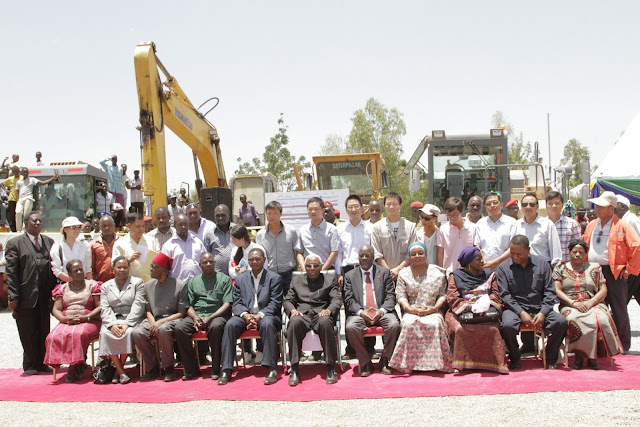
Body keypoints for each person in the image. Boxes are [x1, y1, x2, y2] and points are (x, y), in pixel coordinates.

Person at [497, 235, 568, 370]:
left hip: (539, 308)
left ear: (528, 250)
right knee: (507, 325)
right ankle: (515, 357)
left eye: (519, 254)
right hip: (515, 309)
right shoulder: (503, 268)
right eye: (512, 253)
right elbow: (505, 295)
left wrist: (543, 313)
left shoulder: (543, 265)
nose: (515, 257)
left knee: (561, 322)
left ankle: (550, 356)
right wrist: (521, 312)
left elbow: (550, 292)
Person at [583, 191, 640, 352]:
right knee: (595, 308)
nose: (597, 209)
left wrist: (629, 268)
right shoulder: (592, 224)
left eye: (602, 206)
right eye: (597, 206)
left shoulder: (622, 225)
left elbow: (636, 246)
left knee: (618, 308)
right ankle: (598, 343)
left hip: (614, 271)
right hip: (593, 271)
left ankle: (622, 344)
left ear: (611, 208)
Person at [553, 239, 623, 369]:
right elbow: (557, 290)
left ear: (586, 254)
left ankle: (593, 357)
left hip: (593, 303)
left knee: (601, 320)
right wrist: (573, 303)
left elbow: (603, 290)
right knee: (573, 319)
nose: (577, 255)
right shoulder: (560, 268)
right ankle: (579, 356)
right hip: (570, 305)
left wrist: (591, 302)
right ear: (569, 253)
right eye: (575, 252)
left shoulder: (595, 268)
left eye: (581, 252)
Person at [218, 248, 283, 385]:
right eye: (251, 259)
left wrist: (259, 315)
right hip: (245, 315)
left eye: (258, 259)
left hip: (267, 315)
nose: (254, 262)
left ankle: (271, 368)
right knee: (230, 325)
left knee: (267, 324)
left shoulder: (274, 278)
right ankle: (226, 368)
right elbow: (236, 303)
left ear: (264, 260)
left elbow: (275, 303)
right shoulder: (240, 279)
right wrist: (246, 315)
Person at [5, 212, 58, 375]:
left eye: (40, 220)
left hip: (44, 295)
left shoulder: (49, 242)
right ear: (26, 223)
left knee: (43, 329)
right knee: (28, 331)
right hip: (25, 295)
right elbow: (11, 272)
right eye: (34, 220)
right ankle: (29, 364)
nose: (37, 223)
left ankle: (42, 362)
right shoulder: (15, 243)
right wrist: (13, 296)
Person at [389, 242, 452, 373]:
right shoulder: (403, 274)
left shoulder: (437, 272)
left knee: (435, 323)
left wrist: (434, 308)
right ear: (410, 257)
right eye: (413, 254)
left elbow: (443, 294)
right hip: (412, 309)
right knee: (408, 323)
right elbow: (400, 295)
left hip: (432, 309)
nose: (417, 256)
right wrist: (409, 309)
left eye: (420, 253)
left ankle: (437, 364)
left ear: (426, 254)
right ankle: (409, 365)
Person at [445, 247, 508, 374]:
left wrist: (484, 305)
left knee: (493, 329)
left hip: (486, 310)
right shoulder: (456, 276)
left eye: (482, 258)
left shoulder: (490, 274)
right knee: (460, 329)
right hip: (462, 311)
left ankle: (493, 363)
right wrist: (470, 307)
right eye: (478, 259)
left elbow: (495, 295)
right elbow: (452, 298)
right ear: (469, 263)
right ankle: (462, 363)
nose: (482, 261)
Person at [284, 254, 342, 386]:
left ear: (321, 267)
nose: (312, 268)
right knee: (294, 322)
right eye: (309, 266)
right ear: (304, 267)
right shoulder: (296, 281)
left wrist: (329, 310)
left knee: (326, 322)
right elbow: (288, 300)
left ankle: (331, 368)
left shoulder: (329, 280)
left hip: (321, 314)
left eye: (315, 265)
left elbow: (336, 299)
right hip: (302, 315)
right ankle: (294, 369)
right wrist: (292, 310)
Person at [175, 252, 233, 381]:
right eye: (205, 262)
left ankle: (216, 368)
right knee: (180, 328)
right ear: (199, 265)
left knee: (216, 327)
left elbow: (227, 303)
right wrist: (195, 317)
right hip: (198, 315)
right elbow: (188, 305)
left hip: (217, 315)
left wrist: (210, 318)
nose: (208, 264)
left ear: (215, 263)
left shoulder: (224, 279)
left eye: (211, 262)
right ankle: (191, 369)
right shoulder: (193, 281)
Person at [344, 245, 400, 376]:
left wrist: (381, 311)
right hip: (361, 313)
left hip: (382, 312)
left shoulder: (384, 273)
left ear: (373, 257)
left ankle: (385, 360)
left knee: (394, 325)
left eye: (367, 255)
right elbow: (348, 299)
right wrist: (361, 312)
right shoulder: (349, 275)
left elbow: (391, 296)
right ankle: (365, 362)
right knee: (351, 327)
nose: (364, 258)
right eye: (361, 256)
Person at [132, 252, 188, 382]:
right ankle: (152, 367)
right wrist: (153, 323)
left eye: (153, 267)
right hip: (153, 319)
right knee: (137, 332)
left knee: (163, 330)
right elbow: (147, 310)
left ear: (163, 270)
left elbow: (181, 313)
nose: (150, 269)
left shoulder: (180, 285)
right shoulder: (148, 286)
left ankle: (168, 367)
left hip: (172, 319)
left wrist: (161, 322)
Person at [43, 260, 101, 382]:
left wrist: (87, 317)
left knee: (78, 334)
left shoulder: (92, 285)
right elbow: (56, 309)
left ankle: (73, 367)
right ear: (69, 274)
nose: (79, 272)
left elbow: (100, 306)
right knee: (52, 336)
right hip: (67, 320)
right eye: (75, 271)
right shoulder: (63, 288)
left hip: (89, 320)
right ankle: (78, 363)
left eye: (81, 269)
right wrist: (63, 319)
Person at [98, 256, 146, 384]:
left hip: (131, 318)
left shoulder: (137, 283)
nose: (122, 270)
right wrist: (112, 324)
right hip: (112, 319)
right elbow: (105, 307)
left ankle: (119, 369)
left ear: (129, 269)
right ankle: (120, 371)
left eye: (125, 267)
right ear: (113, 269)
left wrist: (127, 323)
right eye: (119, 267)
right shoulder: (105, 286)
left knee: (128, 333)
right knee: (105, 333)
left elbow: (138, 304)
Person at [371, 192, 417, 281]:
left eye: (395, 204)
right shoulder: (377, 227)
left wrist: (398, 270)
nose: (391, 207)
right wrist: (389, 272)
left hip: (407, 275)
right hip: (384, 275)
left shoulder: (410, 227)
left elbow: (412, 253)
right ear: (384, 206)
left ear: (400, 205)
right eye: (388, 204)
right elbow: (377, 254)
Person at [255, 200, 298, 294]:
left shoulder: (291, 231)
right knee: (273, 302)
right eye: (269, 213)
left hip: (289, 276)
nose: (271, 216)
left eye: (275, 213)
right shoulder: (260, 234)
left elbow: (296, 252)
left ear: (281, 213)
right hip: (270, 276)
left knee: (291, 301)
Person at [295, 197, 340, 272]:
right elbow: (299, 253)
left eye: (316, 209)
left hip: (326, 270)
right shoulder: (302, 230)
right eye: (310, 209)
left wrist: (322, 270)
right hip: (308, 270)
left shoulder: (331, 229)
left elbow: (334, 252)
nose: (313, 211)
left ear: (323, 210)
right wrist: (304, 268)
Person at [475, 192, 516, 269]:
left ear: (501, 205)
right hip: (486, 267)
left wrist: (495, 263)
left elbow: (513, 247)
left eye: (495, 202)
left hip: (507, 268)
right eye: (488, 204)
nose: (492, 205)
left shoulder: (511, 223)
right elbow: (477, 246)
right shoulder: (480, 223)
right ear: (485, 207)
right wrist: (484, 261)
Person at [161, 213, 206, 283]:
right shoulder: (168, 246)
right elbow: (164, 269)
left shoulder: (197, 242)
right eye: (180, 224)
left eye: (185, 224)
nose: (183, 227)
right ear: (174, 226)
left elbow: (205, 261)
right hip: (178, 285)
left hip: (198, 284)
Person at [437, 197, 478, 272]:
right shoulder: (442, 230)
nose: (452, 218)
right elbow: (440, 253)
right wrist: (441, 272)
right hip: (449, 273)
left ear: (462, 211)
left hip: (468, 272)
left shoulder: (473, 228)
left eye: (455, 215)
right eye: (449, 215)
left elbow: (476, 250)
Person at [15, 167, 59, 232]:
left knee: (26, 214)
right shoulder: (19, 182)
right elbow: (17, 191)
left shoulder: (32, 179)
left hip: (28, 198)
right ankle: (18, 229)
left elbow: (43, 182)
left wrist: (52, 178)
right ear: (21, 173)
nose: (26, 173)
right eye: (24, 172)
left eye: (27, 172)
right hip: (21, 199)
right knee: (18, 212)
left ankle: (24, 229)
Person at [615, 195, 640, 306]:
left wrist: (631, 266)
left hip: (633, 266)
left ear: (622, 206)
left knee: (622, 300)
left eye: (615, 205)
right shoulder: (621, 221)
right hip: (631, 267)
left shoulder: (632, 220)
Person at [50, 217, 92, 283]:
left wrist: (90, 285)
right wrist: (74, 282)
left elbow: (88, 269)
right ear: (65, 229)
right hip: (66, 285)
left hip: (84, 284)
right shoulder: (57, 247)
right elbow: (57, 270)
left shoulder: (85, 245)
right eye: (74, 228)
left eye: (79, 227)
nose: (77, 230)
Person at [112, 212, 151, 279]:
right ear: (129, 226)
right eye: (138, 226)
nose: (141, 229)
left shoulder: (151, 241)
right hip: (129, 282)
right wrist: (129, 260)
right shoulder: (120, 244)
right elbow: (114, 265)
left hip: (149, 282)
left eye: (143, 226)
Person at [546, 191, 581, 263]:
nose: (554, 206)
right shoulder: (542, 224)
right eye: (550, 203)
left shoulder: (572, 224)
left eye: (557, 203)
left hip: (566, 265)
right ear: (546, 205)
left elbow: (578, 246)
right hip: (546, 266)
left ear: (562, 205)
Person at [203, 204, 236, 276]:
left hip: (238, 274)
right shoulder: (209, 234)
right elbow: (207, 255)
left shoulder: (237, 230)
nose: (220, 218)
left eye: (223, 215)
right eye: (217, 215)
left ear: (229, 214)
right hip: (219, 276)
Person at [90, 215, 119, 283]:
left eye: (110, 225)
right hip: (101, 282)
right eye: (104, 226)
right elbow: (91, 266)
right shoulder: (93, 244)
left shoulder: (122, 241)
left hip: (120, 282)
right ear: (99, 227)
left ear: (114, 226)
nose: (107, 228)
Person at [1, 166, 20, 232]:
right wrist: (6, 190)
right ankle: (13, 230)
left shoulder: (22, 178)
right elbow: (2, 184)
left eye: (17, 172)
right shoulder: (10, 179)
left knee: (19, 214)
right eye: (14, 172)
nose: (16, 173)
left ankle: (19, 228)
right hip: (12, 199)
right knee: (12, 215)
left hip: (20, 199)